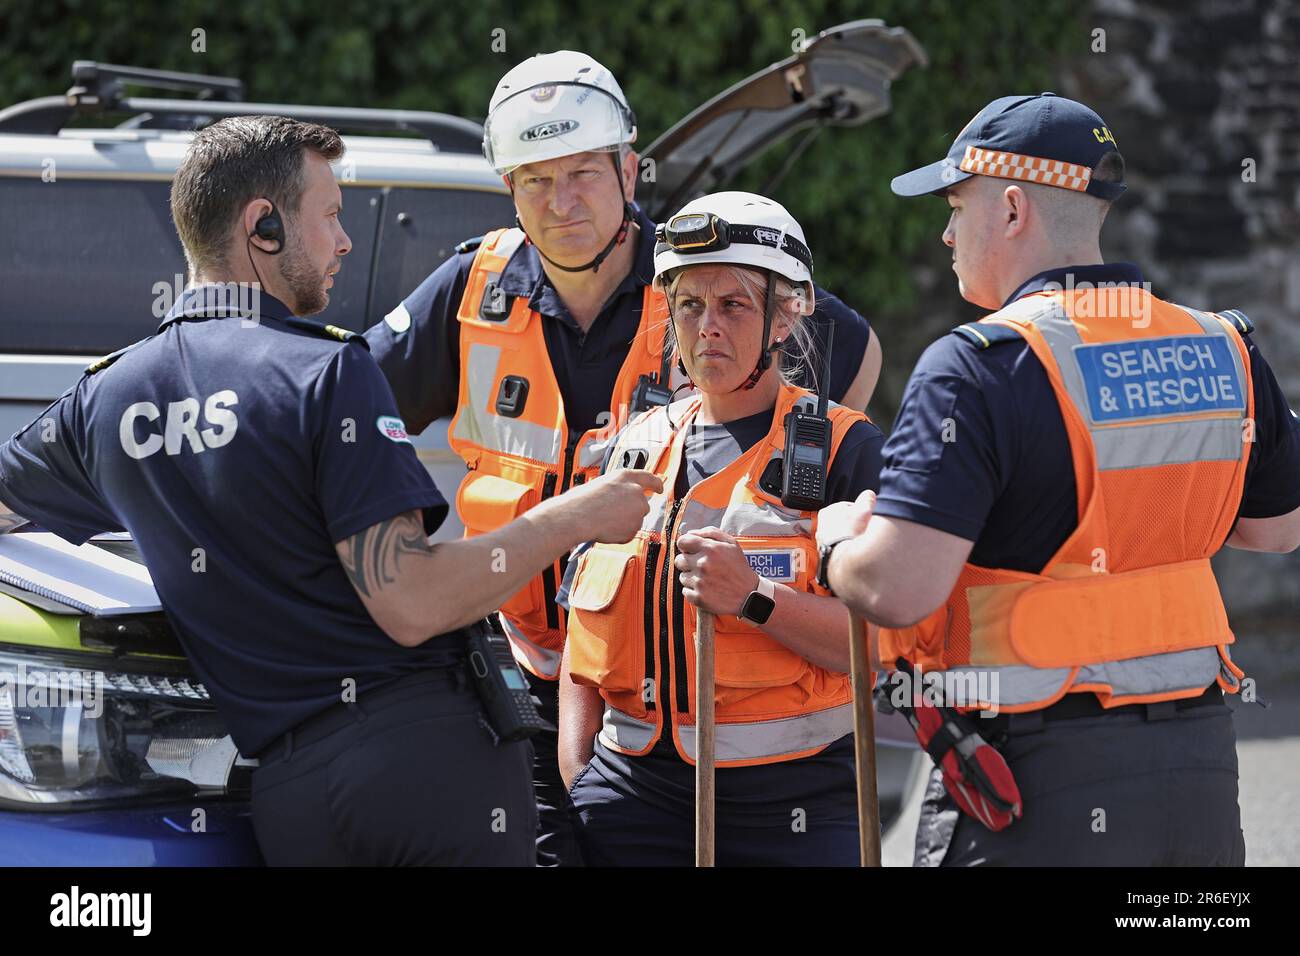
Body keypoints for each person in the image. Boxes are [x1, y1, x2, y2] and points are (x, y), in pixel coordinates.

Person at [0, 115, 659, 866]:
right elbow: (412, 603)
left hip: (290, 798)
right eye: (331, 216)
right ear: (264, 226)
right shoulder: (323, 372)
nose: (345, 241)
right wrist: (575, 515)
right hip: (422, 767)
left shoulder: (107, 400)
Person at [363, 51, 884, 867]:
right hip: (524, 673)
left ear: (628, 170)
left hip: (687, 714)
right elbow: (341, 421)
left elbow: (847, 357)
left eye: (581, 173)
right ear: (510, 189)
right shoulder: (471, 289)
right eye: (535, 180)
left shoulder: (697, 271)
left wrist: (784, 475)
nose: (561, 202)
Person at [815, 92, 1300, 866]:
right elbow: (1276, 529)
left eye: (955, 204)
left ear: (1011, 210)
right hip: (1197, 774)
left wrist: (836, 543)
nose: (945, 232)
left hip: (1034, 783)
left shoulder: (977, 366)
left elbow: (898, 590)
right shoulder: (1223, 346)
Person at [555, 191, 885, 866]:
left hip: (792, 803)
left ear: (785, 317)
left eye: (733, 305)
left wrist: (754, 598)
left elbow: (883, 648)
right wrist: (578, 777)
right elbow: (581, 653)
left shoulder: (849, 452)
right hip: (628, 794)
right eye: (690, 305)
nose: (707, 326)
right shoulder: (634, 446)